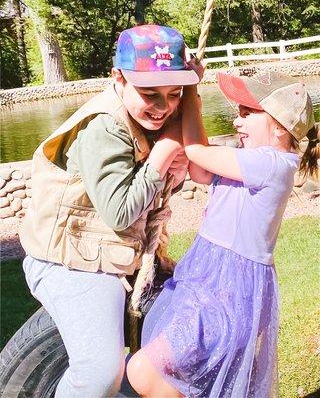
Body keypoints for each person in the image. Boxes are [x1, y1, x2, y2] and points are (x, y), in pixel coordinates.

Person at [19, 24, 199, 397]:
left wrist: (192, 89)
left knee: (183, 335)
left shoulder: (152, 117)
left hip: (113, 257)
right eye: (149, 93)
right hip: (71, 264)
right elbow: (120, 213)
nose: (163, 107)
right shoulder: (104, 126)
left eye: (174, 93)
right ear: (118, 78)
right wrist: (161, 159)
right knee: (100, 371)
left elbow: (178, 173)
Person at [127, 69, 319, 397]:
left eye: (247, 114)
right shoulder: (252, 158)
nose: (237, 121)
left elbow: (199, 153)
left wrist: (188, 92)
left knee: (144, 371)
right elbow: (201, 171)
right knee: (169, 375)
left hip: (229, 289)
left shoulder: (274, 164)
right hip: (211, 281)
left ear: (278, 127)